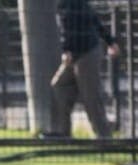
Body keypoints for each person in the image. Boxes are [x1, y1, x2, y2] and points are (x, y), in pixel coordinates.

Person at [49, 0, 121, 139]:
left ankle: (104, 138)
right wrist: (110, 42)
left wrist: (66, 50)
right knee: (59, 85)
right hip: (76, 52)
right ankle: (63, 132)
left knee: (91, 97)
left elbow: (69, 26)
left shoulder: (69, 4)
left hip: (87, 52)